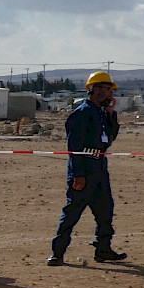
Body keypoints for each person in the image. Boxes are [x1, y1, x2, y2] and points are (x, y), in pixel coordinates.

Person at [48, 71, 127, 265]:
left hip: (100, 168)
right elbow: (74, 147)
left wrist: (111, 115)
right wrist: (78, 174)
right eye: (107, 89)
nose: (110, 94)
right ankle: (57, 254)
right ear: (95, 89)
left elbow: (110, 137)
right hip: (84, 169)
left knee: (105, 211)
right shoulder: (82, 113)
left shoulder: (102, 113)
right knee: (72, 212)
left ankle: (103, 249)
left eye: (110, 90)